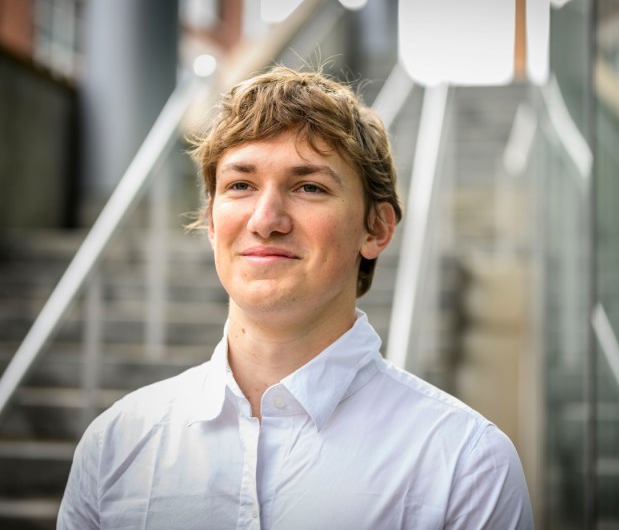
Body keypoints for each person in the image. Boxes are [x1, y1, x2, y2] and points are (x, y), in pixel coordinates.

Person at [57, 66, 534, 529]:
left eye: (308, 186)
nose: (265, 220)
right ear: (211, 223)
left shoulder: (466, 465)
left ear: (376, 228)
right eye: (240, 185)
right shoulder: (116, 447)